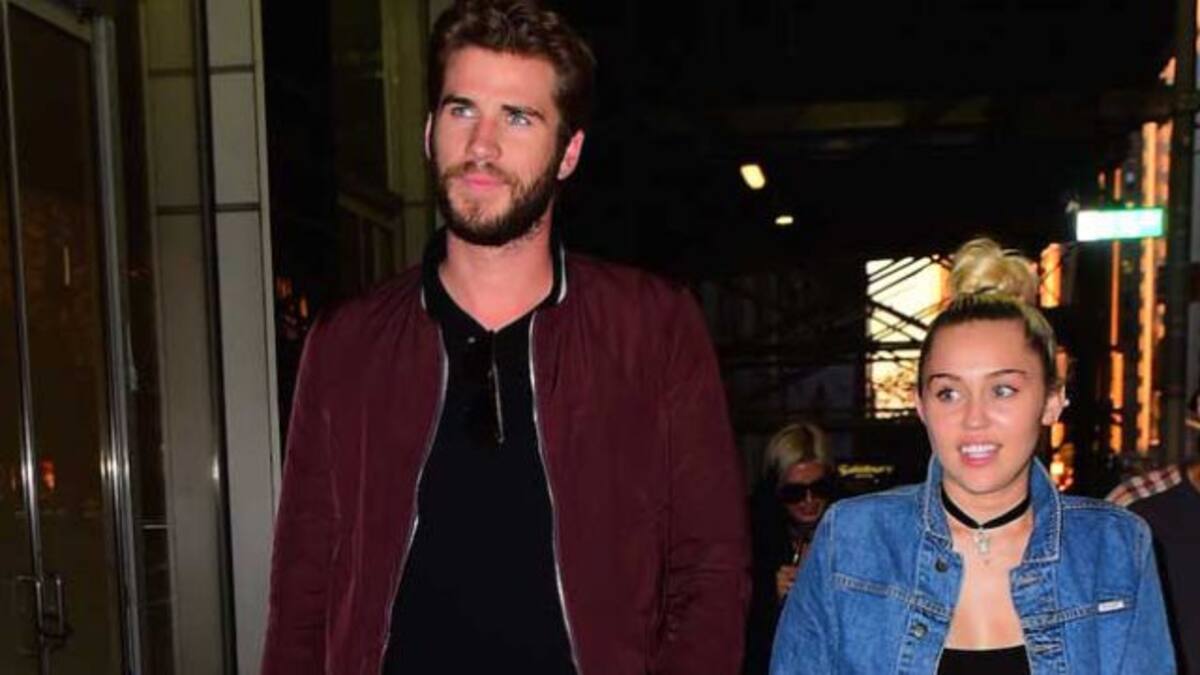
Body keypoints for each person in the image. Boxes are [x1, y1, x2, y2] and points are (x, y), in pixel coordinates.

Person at [260, 1, 750, 673]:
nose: (481, 145)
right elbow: (301, 594)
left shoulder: (653, 328)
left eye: (517, 117)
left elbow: (711, 571)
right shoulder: (348, 344)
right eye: (462, 110)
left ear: (568, 153)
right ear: (429, 131)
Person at [770, 238, 1175, 674]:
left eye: (1003, 390)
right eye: (949, 392)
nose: (974, 419)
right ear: (921, 406)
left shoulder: (1114, 548)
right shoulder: (852, 540)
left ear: (1051, 401)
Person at [744, 422, 837, 674]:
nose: (809, 500)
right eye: (794, 492)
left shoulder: (849, 532)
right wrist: (767, 594)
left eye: (819, 488)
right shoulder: (751, 538)